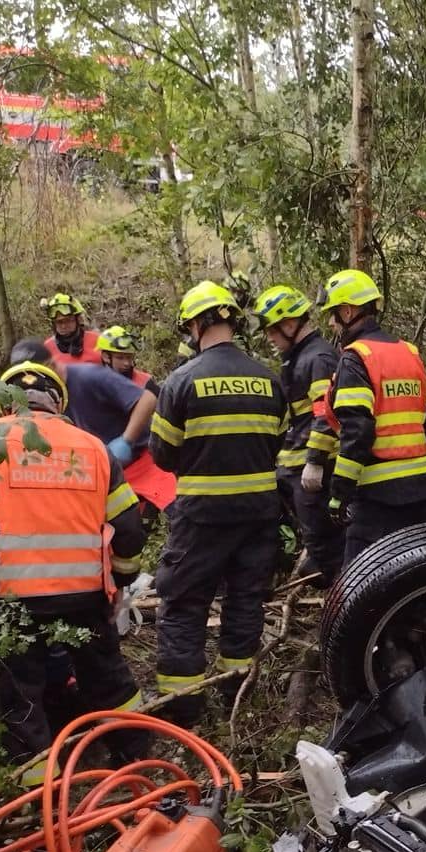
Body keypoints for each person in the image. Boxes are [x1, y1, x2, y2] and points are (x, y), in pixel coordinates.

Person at [0, 360, 148, 786]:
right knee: (109, 680)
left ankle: (41, 798)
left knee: (17, 701)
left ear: (1, 402)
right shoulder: (93, 448)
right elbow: (130, 529)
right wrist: (119, 582)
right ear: (57, 402)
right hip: (82, 597)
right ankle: (138, 755)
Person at [148, 281, 286, 721]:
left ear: (196, 323)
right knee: (245, 599)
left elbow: (162, 453)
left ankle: (183, 704)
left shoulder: (181, 381)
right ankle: (236, 693)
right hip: (259, 515)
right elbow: (278, 443)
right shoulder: (269, 379)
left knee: (185, 601)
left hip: (201, 518)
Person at [318, 269, 426, 564]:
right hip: (419, 490)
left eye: (333, 315)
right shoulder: (409, 353)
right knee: (410, 575)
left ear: (347, 311)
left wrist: (339, 493)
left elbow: (357, 432)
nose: (332, 324)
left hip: (376, 498)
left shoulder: (356, 359)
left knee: (360, 586)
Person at [254, 284, 343, 585]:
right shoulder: (299, 358)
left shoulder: (318, 358)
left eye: (272, 330)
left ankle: (344, 601)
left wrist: (315, 461)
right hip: (294, 465)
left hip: (316, 469)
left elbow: (325, 415)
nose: (269, 337)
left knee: (325, 544)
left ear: (290, 324)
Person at [9, 341, 157, 471]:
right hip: (99, 466)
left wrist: (126, 440)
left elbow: (147, 399)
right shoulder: (42, 396)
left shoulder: (90, 376)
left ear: (52, 366)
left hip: (139, 459)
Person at [94, 327, 176, 520]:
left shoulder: (145, 382)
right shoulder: (90, 383)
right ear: (106, 357)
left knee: (175, 505)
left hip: (145, 458)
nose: (127, 363)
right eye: (121, 358)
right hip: (108, 463)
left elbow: (166, 415)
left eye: (129, 357)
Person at [41, 292, 103, 366]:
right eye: (59, 322)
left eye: (68, 320)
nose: (63, 326)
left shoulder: (98, 340)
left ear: (79, 319)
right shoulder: (47, 347)